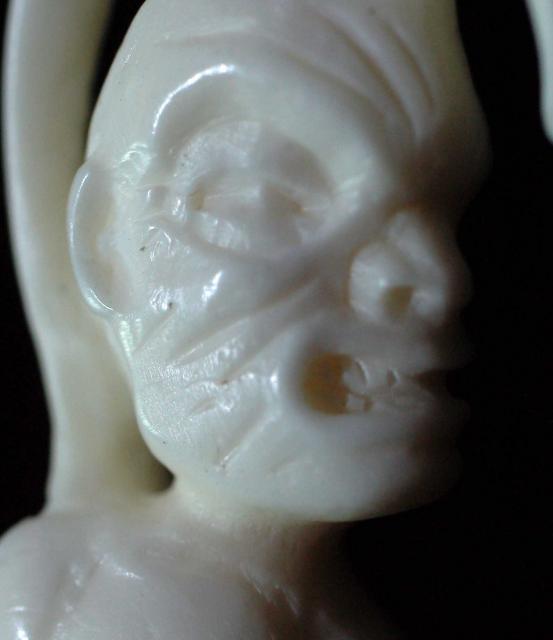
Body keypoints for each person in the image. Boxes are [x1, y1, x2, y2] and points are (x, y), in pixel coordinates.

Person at [0, 0, 506, 637]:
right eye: (271, 196)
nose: (439, 279)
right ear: (105, 244)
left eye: (450, 210)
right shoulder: (66, 593)